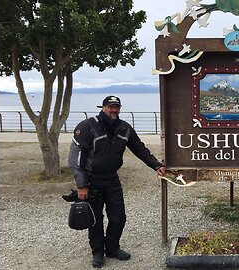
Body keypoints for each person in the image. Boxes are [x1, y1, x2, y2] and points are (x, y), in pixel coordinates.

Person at [68, 95, 166, 268]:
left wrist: (156, 166)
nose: (114, 110)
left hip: (112, 179)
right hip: (92, 180)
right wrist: (82, 185)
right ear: (103, 107)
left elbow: (139, 149)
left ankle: (112, 248)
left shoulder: (124, 128)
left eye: (117, 107)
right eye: (110, 107)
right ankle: (98, 252)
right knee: (96, 218)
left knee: (119, 216)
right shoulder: (88, 126)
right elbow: (76, 159)